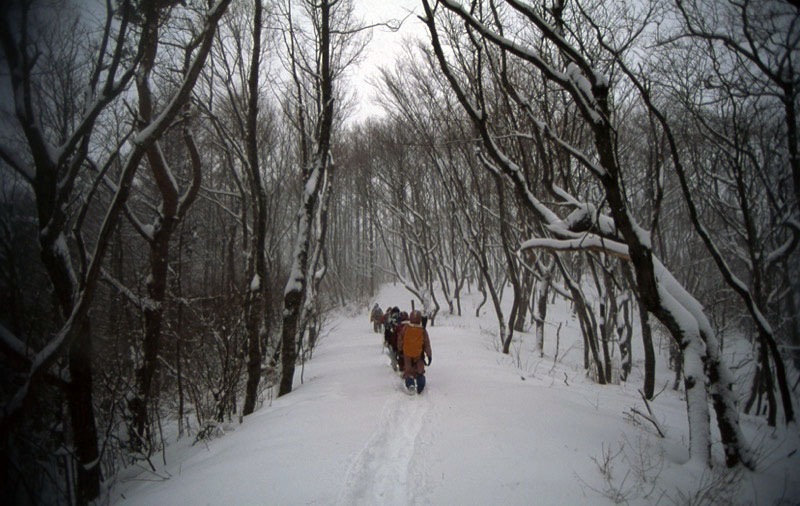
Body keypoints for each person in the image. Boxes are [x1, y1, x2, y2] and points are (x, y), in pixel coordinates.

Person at [397, 310, 432, 395]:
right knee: (420, 371)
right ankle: (420, 385)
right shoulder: (422, 330)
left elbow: (400, 340)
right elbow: (427, 343)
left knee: (408, 371)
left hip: (407, 354)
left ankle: (410, 385)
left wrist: (400, 349)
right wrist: (429, 355)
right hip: (419, 354)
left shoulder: (406, 328)